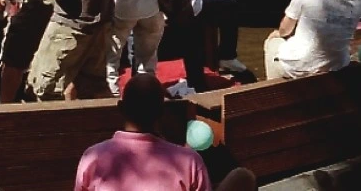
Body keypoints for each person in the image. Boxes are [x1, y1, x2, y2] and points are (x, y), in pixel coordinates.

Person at [75, 74, 256, 191]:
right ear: (162, 112)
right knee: (242, 177)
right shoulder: (189, 161)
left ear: (121, 108)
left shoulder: (93, 156)